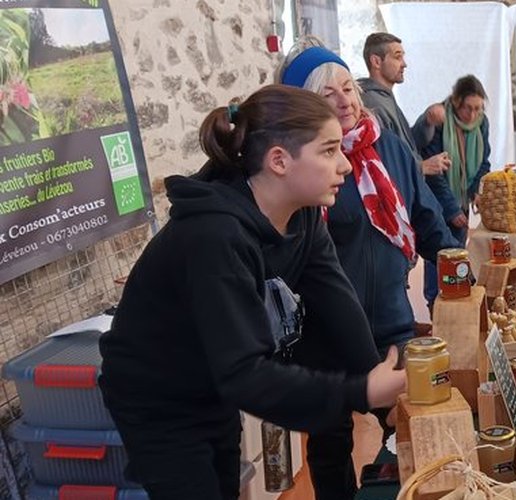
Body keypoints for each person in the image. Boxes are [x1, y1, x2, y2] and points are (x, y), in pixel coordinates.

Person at [98, 85, 409, 500]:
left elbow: (336, 299)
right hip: (158, 396)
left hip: (211, 381)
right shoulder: (215, 235)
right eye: (329, 151)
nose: (346, 167)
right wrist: (361, 391)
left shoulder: (304, 218)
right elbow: (244, 374)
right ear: (279, 160)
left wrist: (380, 393)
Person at [277, 40, 461, 499]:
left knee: (410, 427)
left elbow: (424, 216)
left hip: (390, 321)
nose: (344, 101)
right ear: (303, 109)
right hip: (325, 333)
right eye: (326, 95)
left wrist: (458, 269)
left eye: (347, 87)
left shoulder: (391, 148)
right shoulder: (304, 167)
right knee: (331, 443)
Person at [412, 75, 492, 311]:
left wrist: (477, 190)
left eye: (478, 108)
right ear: (457, 102)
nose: (473, 115)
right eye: (468, 108)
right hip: (437, 201)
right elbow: (435, 172)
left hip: (462, 198)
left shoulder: (482, 123)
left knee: (458, 252)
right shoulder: (440, 119)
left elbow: (484, 162)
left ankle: (455, 306)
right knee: (438, 255)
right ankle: (434, 307)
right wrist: (451, 209)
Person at [358, 32, 453, 177]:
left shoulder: (385, 98)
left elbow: (404, 145)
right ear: (376, 62)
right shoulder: (373, 104)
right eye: (397, 57)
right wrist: (421, 167)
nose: (404, 64)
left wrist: (427, 121)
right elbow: (382, 162)